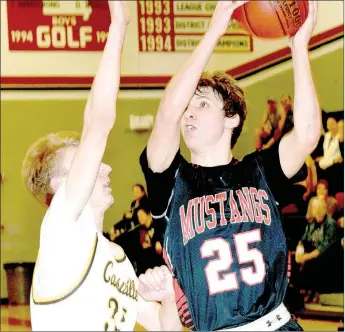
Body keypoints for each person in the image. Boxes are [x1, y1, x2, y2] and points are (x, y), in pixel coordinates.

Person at [139, 0, 320, 330]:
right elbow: (168, 110)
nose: (188, 113)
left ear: (231, 117)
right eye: (187, 106)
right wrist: (214, 30)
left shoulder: (259, 171)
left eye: (203, 104)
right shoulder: (169, 180)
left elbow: (307, 135)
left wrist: (299, 47)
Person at [23, 2, 179, 331]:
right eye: (86, 163)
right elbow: (98, 122)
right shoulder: (62, 229)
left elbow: (167, 328)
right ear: (59, 185)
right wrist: (119, 27)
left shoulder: (116, 259)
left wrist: (166, 298)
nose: (104, 168)